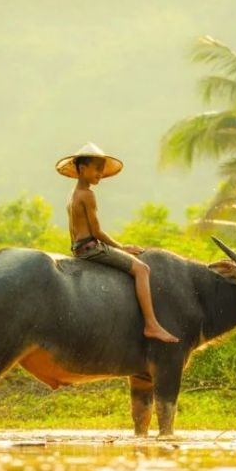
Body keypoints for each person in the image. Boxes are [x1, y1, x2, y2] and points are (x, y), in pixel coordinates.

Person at [56, 142, 178, 343]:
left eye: (102, 169)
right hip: (91, 248)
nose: (100, 173)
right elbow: (96, 232)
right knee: (142, 269)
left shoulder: (73, 194)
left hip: (78, 248)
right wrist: (121, 247)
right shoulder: (88, 195)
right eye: (96, 168)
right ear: (82, 169)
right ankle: (151, 324)